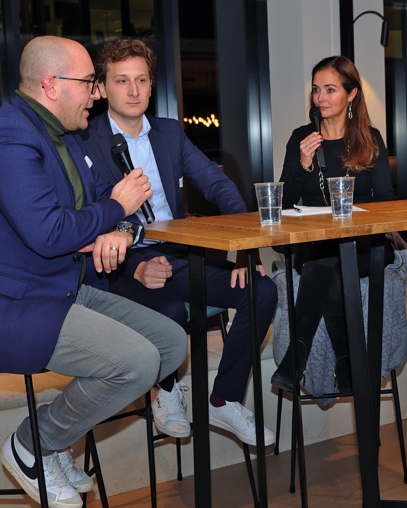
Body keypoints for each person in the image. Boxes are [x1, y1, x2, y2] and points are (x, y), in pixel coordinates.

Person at [0, 36, 188, 508]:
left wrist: (116, 227)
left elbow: (114, 205)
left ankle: (50, 445)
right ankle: (33, 443)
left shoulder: (69, 137)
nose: (97, 93)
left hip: (56, 288)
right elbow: (53, 232)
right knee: (136, 362)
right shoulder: (5, 136)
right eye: (90, 82)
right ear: (51, 85)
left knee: (171, 344)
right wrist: (115, 210)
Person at [76, 39, 278, 446]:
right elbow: (85, 222)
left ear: (152, 85)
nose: (133, 90)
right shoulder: (84, 140)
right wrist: (135, 266)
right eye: (122, 80)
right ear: (103, 87)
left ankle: (223, 399)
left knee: (261, 290)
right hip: (119, 265)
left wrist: (245, 247)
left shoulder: (168, 132)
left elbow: (218, 184)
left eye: (141, 80)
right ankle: (166, 390)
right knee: (167, 310)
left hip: (180, 254)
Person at [270, 55, 396, 394]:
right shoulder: (302, 138)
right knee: (326, 260)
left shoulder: (369, 139)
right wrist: (303, 164)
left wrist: (356, 215)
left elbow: (386, 201)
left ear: (351, 94)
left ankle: (298, 356)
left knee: (325, 263)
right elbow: (282, 202)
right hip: (315, 245)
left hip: (365, 245)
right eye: (316, 90)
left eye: (330, 89)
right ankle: (346, 363)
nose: (320, 98)